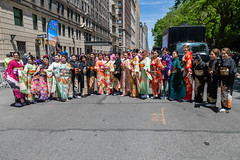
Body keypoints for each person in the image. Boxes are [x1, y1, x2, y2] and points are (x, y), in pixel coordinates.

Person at [219, 48, 238, 113]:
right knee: (223, 93)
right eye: (222, 53)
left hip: (228, 79)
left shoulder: (231, 61)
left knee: (227, 93)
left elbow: (232, 70)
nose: (223, 55)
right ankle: (223, 106)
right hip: (223, 78)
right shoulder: (223, 60)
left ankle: (227, 107)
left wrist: (233, 74)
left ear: (228, 53)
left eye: (225, 53)